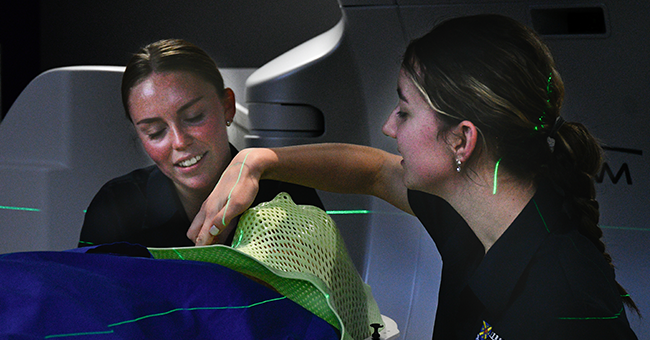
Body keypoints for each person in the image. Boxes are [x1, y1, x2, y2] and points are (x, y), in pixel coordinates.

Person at [188, 15, 639, 339]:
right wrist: (260, 160)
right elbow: (374, 171)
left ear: (462, 141)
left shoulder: (565, 302)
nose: (389, 127)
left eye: (404, 110)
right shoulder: (471, 210)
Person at [78, 39, 323, 248]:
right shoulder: (115, 207)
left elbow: (322, 296)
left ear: (227, 106)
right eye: (155, 132)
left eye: (194, 117)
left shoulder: (288, 193)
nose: (180, 141)